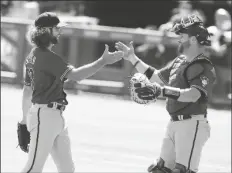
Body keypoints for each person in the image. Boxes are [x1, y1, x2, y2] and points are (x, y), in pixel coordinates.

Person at [19, 12, 123, 172]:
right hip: (44, 116)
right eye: (56, 28)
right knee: (33, 168)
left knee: (67, 169)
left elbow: (27, 92)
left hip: (53, 117)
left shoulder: (33, 55)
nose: (60, 31)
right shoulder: (47, 57)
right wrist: (103, 61)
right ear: (46, 30)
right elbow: (76, 76)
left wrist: (24, 122)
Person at [115, 14, 216, 173]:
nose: (179, 39)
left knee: (182, 171)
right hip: (174, 123)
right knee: (159, 169)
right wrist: (132, 58)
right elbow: (156, 77)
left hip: (192, 124)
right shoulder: (179, 61)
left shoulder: (202, 65)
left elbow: (193, 95)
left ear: (193, 40)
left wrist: (161, 91)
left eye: (182, 35)